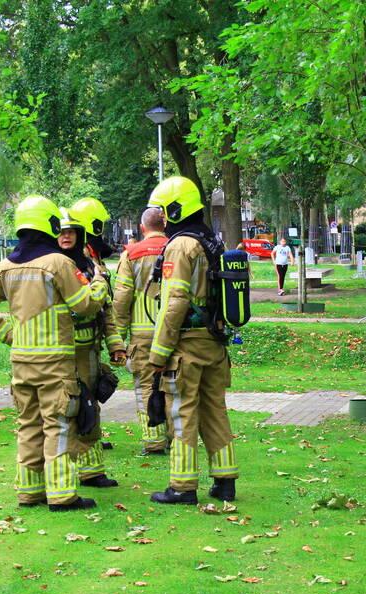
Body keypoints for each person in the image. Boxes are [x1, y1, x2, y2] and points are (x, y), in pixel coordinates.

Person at [0, 195, 110, 512]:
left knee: (28, 426)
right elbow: (83, 305)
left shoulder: (5, 267)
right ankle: (62, 494)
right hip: (56, 365)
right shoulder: (59, 263)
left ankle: (29, 492)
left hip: (21, 363)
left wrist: (8, 335)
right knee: (58, 425)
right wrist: (99, 284)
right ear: (49, 224)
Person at [146, 176, 238, 504]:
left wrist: (158, 354)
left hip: (186, 346)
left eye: (164, 210)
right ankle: (225, 482)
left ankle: (182, 488)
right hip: (215, 343)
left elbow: (174, 302)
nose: (162, 217)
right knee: (215, 410)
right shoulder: (211, 241)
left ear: (175, 208)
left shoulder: (180, 245)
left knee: (182, 412)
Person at [59, 198, 126, 488]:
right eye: (61, 232)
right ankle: (61, 474)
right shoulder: (52, 266)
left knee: (90, 408)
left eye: (71, 231)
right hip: (59, 353)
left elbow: (106, 310)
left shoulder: (89, 265)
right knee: (64, 410)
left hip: (88, 352)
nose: (66, 236)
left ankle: (92, 472)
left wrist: (116, 346)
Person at [112, 207, 169, 456]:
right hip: (176, 332)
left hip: (143, 335)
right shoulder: (177, 248)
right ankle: (177, 437)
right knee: (175, 386)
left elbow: (122, 300)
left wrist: (118, 338)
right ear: (164, 226)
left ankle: (153, 440)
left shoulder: (131, 255)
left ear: (142, 228)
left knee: (146, 385)